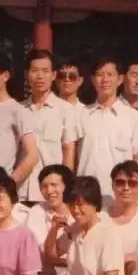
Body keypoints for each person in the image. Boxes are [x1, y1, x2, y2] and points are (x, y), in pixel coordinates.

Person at [76, 57, 138, 202]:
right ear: (92, 79)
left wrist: (137, 192)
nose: (105, 80)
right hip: (85, 195)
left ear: (120, 79)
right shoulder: (81, 114)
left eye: (110, 74)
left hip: (120, 194)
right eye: (99, 74)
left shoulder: (133, 117)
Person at [20, 49, 81, 203]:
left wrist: (65, 190)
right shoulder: (19, 109)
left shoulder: (65, 110)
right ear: (27, 74)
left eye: (45, 71)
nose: (40, 76)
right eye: (35, 71)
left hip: (51, 192)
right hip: (21, 190)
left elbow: (68, 150)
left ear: (53, 75)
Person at [0, 50, 39, 186]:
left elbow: (32, 155)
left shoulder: (17, 110)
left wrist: (9, 183)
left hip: (0, 183)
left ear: (5, 76)